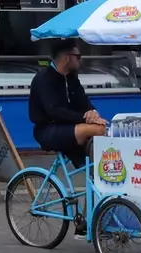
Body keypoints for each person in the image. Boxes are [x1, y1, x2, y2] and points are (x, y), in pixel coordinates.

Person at [28, 40, 107, 169]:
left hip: (68, 126)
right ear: (66, 58)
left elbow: (83, 99)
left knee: (102, 129)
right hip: (48, 129)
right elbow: (54, 111)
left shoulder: (71, 78)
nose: (80, 61)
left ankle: (93, 171)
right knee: (98, 130)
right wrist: (83, 118)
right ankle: (97, 174)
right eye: (78, 57)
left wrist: (92, 112)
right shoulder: (44, 78)